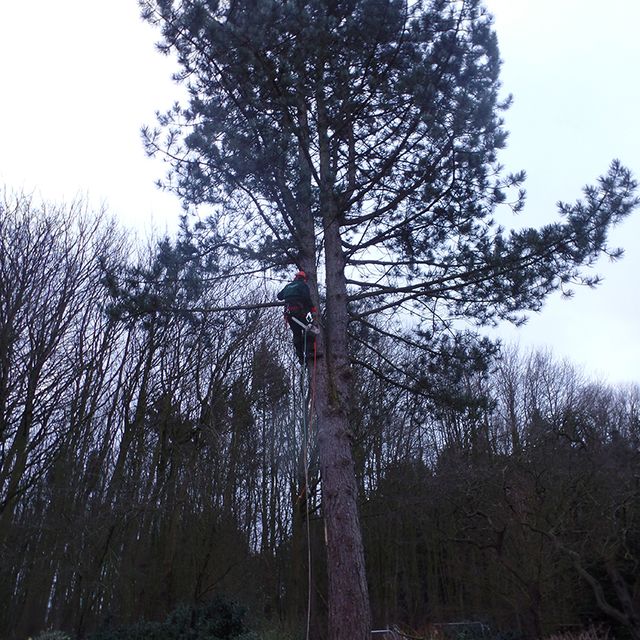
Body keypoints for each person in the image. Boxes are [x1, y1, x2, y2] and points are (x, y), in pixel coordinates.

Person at [277, 270, 317, 364]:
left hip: (289, 314)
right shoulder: (303, 285)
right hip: (299, 312)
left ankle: (300, 357)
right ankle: (310, 352)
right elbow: (306, 298)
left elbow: (279, 296)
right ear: (304, 279)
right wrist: (312, 309)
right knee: (311, 329)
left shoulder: (288, 286)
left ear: (296, 277)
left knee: (297, 334)